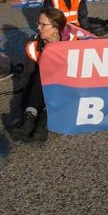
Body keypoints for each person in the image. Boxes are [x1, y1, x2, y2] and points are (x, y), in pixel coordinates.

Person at [11, 7, 77, 142]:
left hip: (67, 89)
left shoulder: (74, 43)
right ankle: (29, 118)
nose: (38, 27)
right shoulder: (34, 46)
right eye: (38, 23)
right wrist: (22, 111)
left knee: (55, 77)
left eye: (43, 24)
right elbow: (28, 80)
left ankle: (45, 119)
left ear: (55, 28)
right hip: (42, 88)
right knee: (39, 75)